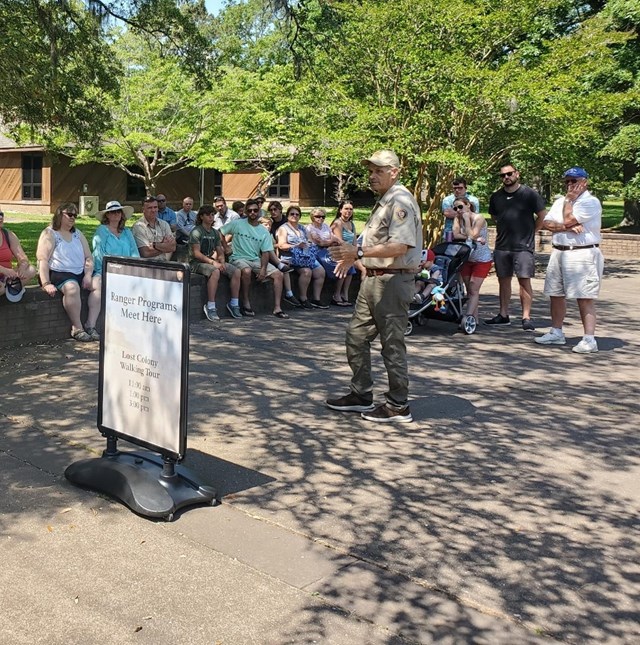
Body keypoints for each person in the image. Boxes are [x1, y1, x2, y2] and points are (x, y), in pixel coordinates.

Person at [326, 150, 421, 423]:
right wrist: (354, 258)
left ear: (395, 171)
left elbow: (401, 245)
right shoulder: (385, 201)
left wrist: (358, 252)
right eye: (371, 170)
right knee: (355, 337)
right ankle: (361, 394)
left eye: (379, 170)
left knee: (391, 344)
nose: (372, 175)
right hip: (374, 278)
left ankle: (398, 405)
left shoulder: (400, 200)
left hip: (393, 280)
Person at [535, 167, 604, 353]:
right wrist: (566, 227)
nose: (570, 185)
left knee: (584, 295)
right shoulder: (560, 201)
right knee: (555, 293)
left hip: (582, 253)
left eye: (574, 181)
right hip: (559, 251)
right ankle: (556, 332)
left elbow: (568, 217)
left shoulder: (590, 202)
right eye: (567, 181)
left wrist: (570, 205)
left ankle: (589, 339)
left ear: (584, 182)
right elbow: (547, 223)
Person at [485, 163, 546, 331]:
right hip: (502, 245)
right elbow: (494, 216)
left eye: (509, 174)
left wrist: (533, 231)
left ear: (517, 174)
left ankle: (526, 317)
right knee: (503, 281)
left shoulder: (529, 194)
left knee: (524, 281)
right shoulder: (496, 196)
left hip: (523, 246)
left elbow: (541, 215)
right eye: (503, 175)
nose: (506, 177)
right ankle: (503, 315)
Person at [36, 203, 99, 342]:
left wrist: (88, 275)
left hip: (80, 272)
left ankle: (91, 325)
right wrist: (46, 283)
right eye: (69, 215)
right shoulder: (50, 233)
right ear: (59, 214)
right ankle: (77, 328)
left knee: (98, 284)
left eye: (75, 216)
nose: (72, 218)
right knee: (72, 288)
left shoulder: (78, 234)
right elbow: (43, 259)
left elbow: (88, 257)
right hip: (60, 272)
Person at [221, 198, 289, 319]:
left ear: (259, 211)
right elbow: (220, 232)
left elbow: (265, 252)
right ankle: (246, 303)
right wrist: (226, 247)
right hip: (238, 258)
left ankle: (277, 307)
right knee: (246, 271)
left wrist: (263, 269)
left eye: (255, 210)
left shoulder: (264, 231)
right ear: (246, 211)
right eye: (250, 210)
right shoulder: (237, 223)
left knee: (279, 274)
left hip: (255, 259)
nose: (252, 213)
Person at [90, 200, 140, 339]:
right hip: (104, 270)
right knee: (98, 286)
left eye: (119, 211)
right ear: (107, 215)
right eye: (113, 212)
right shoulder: (102, 231)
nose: (116, 214)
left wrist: (134, 269)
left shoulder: (127, 232)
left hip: (126, 271)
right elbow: (99, 254)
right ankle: (91, 325)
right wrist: (112, 269)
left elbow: (134, 252)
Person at [189, 204, 242, 321]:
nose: (211, 217)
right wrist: (214, 263)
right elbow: (196, 253)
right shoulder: (196, 232)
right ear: (201, 216)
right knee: (215, 272)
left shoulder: (215, 232)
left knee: (236, 271)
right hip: (196, 263)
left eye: (212, 214)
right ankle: (211, 306)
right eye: (208, 215)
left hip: (211, 261)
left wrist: (222, 261)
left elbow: (219, 250)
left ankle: (234, 304)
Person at [451, 197, 493, 325]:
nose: (458, 211)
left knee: (474, 288)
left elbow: (473, 234)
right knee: (469, 289)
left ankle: (467, 317)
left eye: (460, 207)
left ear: (468, 205)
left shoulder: (478, 218)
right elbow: (456, 235)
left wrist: (467, 222)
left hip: (481, 259)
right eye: (455, 208)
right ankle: (475, 319)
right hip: (466, 258)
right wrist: (472, 237)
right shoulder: (457, 218)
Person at [277, 205, 328, 309]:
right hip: (291, 257)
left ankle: (316, 299)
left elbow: (309, 241)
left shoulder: (302, 228)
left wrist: (308, 243)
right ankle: (303, 298)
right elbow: (281, 245)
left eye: (297, 214)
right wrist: (296, 245)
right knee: (306, 271)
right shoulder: (284, 228)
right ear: (287, 216)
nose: (294, 216)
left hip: (305, 256)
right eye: (292, 214)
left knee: (320, 271)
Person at [307, 207, 345, 304]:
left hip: (328, 250)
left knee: (345, 264)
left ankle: (339, 295)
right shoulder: (309, 228)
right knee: (326, 269)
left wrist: (336, 242)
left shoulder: (326, 226)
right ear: (312, 217)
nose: (320, 218)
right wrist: (331, 241)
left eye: (323, 216)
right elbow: (320, 242)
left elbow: (334, 238)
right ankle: (317, 299)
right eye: (317, 216)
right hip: (316, 251)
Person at [0, 208, 37, 302]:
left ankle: (6, 287)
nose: (0, 217)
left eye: (1, 214)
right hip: (6, 274)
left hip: (7, 277)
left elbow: (22, 257)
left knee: (31, 269)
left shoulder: (8, 234)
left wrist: (22, 266)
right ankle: (9, 289)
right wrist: (4, 270)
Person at [329, 200, 360, 306]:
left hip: (350, 252)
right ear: (340, 210)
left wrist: (355, 252)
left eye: (351, 209)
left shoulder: (351, 224)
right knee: (346, 266)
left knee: (355, 266)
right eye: (346, 208)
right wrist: (351, 253)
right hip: (337, 251)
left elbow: (355, 242)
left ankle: (344, 294)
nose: (349, 211)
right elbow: (340, 241)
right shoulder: (337, 223)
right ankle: (336, 294)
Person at [132, 196, 176, 261]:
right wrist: (164, 246)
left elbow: (172, 247)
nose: (153, 210)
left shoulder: (164, 224)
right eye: (150, 208)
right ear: (143, 209)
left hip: (164, 264)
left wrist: (154, 245)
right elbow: (145, 252)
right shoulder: (138, 226)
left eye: (155, 207)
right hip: (147, 266)